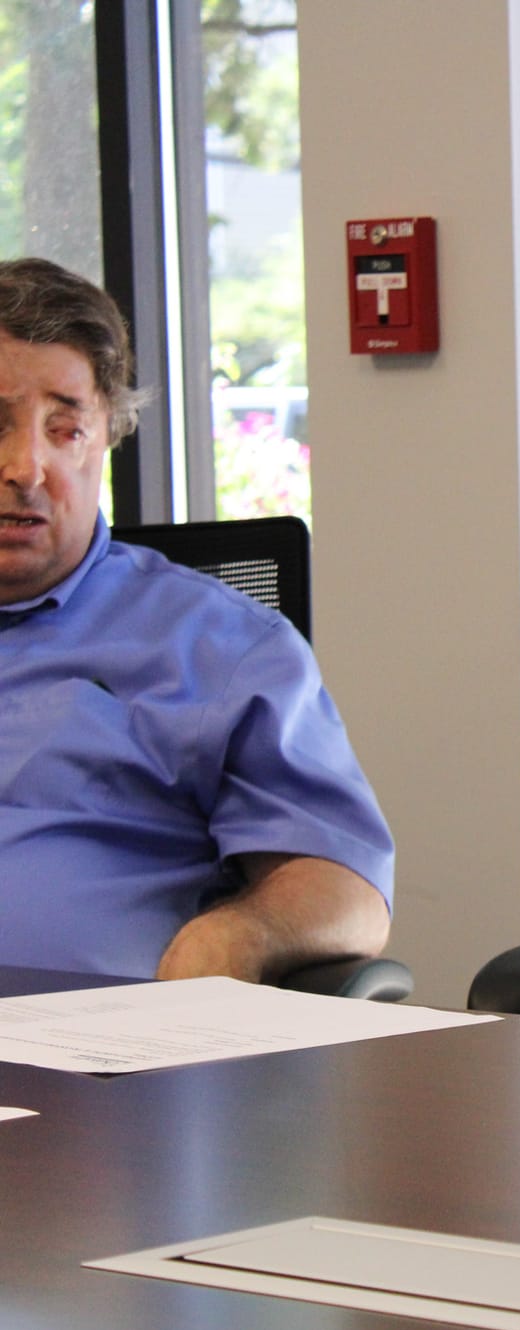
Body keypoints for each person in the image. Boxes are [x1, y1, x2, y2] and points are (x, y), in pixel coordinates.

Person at [0, 257, 394, 983]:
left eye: (66, 429)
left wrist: (246, 933)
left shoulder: (221, 647)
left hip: (94, 1043)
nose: (26, 467)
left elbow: (347, 889)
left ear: (107, 437)